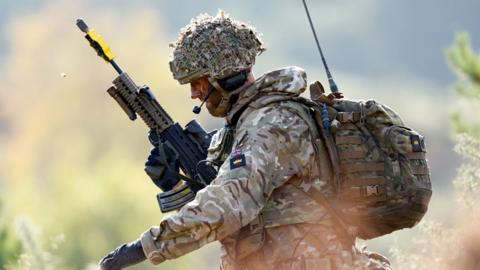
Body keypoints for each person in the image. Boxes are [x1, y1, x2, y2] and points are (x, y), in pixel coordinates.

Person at [98, 11, 391, 270]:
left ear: (224, 78)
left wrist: (142, 248)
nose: (194, 94)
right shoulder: (243, 127)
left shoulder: (272, 124)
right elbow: (238, 218)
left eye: (198, 83)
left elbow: (227, 206)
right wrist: (175, 185)